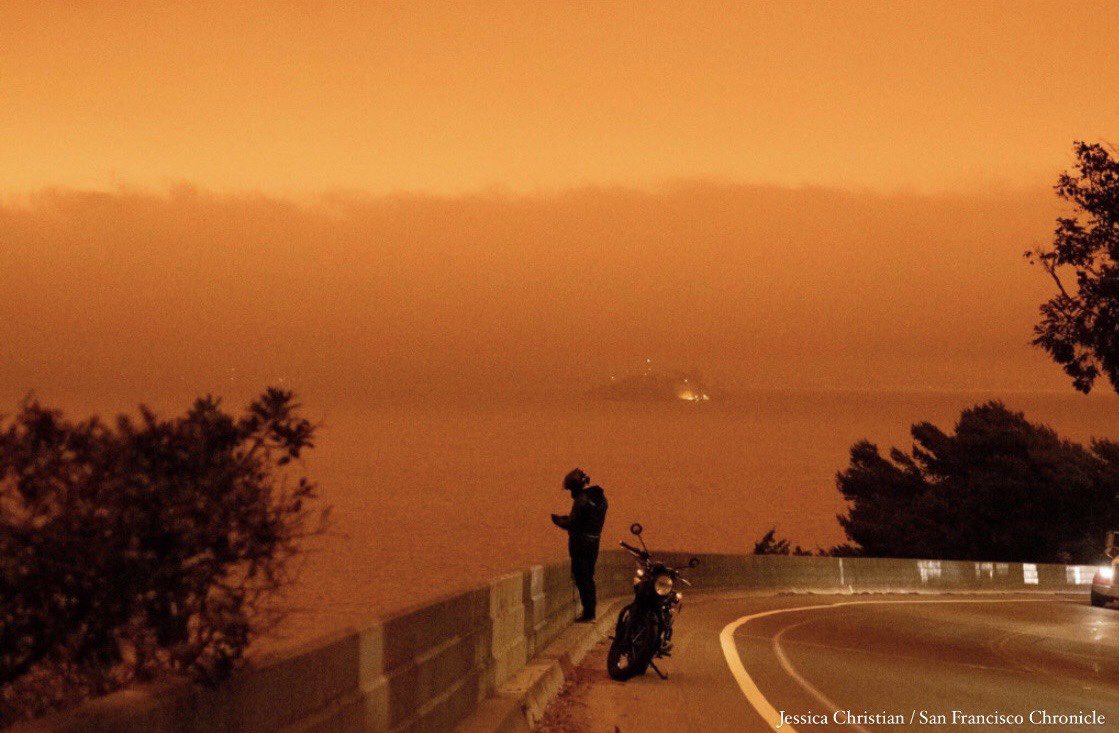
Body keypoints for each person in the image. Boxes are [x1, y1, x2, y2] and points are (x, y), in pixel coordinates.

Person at [551, 468, 608, 622]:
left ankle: (588, 614)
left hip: (580, 544)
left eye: (571, 489)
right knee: (589, 577)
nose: (570, 493)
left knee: (582, 578)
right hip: (594, 542)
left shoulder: (581, 500)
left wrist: (559, 521)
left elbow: (574, 523)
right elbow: (587, 521)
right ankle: (591, 611)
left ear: (575, 487)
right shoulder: (601, 500)